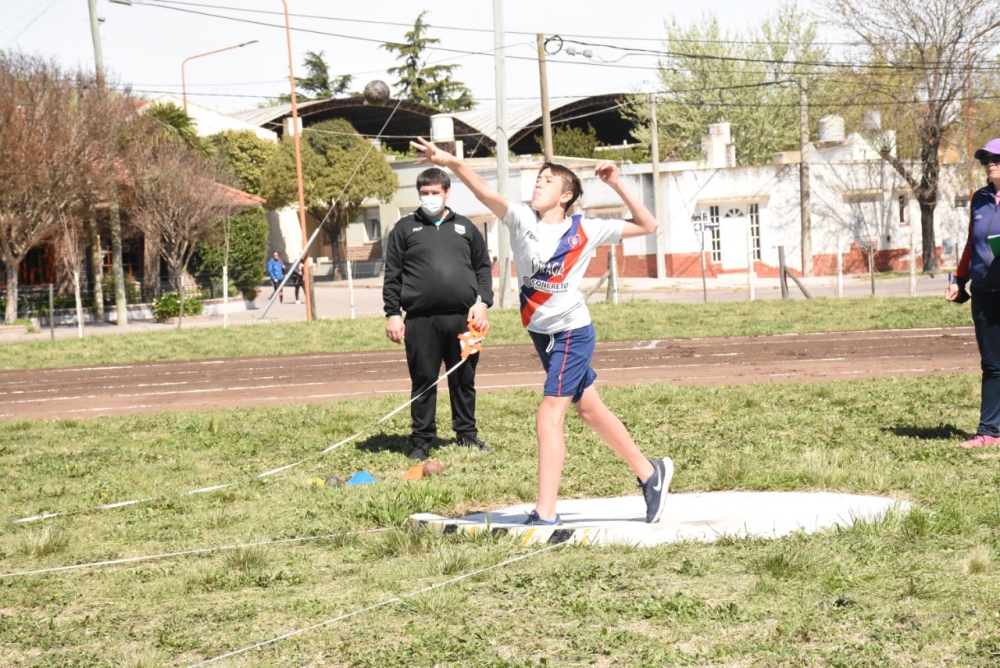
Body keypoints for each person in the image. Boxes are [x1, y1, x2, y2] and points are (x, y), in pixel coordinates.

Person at [410, 137, 673, 525]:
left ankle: (546, 513)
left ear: (566, 196)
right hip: (541, 333)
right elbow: (484, 192)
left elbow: (649, 224)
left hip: (572, 333)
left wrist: (617, 183)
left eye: (547, 181)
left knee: (548, 418)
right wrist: (452, 163)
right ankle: (651, 474)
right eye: (537, 179)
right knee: (589, 409)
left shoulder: (586, 229)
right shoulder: (520, 218)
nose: (537, 184)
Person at [382, 167, 494, 461]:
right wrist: (393, 313)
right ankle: (421, 440)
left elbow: (483, 268)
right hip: (421, 320)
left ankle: (467, 436)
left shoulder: (466, 228)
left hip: (464, 319)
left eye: (435, 192)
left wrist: (482, 303)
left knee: (463, 380)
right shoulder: (404, 229)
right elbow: (392, 274)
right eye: (424, 193)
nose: (429, 198)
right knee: (423, 380)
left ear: (447, 192)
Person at [949, 137, 1000, 448]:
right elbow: (972, 243)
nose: (989, 163)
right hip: (984, 291)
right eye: (985, 159)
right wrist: (959, 278)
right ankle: (989, 432)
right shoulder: (979, 198)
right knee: (992, 364)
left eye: (996, 158)